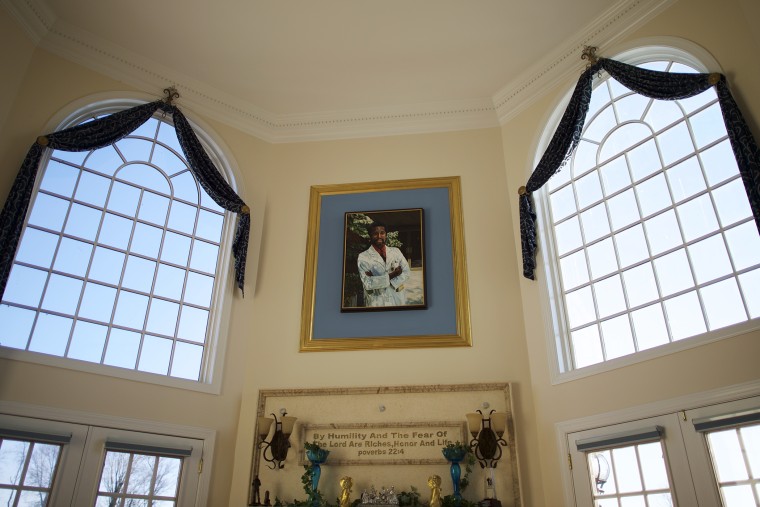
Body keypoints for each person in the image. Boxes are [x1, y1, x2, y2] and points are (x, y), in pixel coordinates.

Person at [357, 222, 410, 307]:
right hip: (376, 301)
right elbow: (368, 283)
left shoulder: (396, 251)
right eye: (375, 233)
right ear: (370, 236)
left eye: (382, 233)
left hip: (397, 299)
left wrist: (377, 279)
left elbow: (407, 272)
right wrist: (394, 275)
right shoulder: (363, 257)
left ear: (386, 235)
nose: (379, 236)